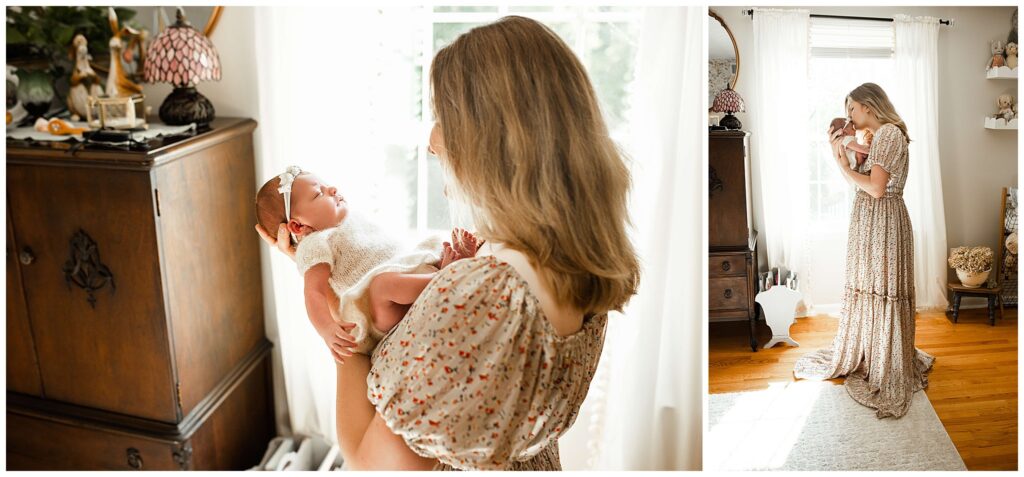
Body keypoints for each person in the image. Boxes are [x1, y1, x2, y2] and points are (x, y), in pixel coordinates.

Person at [257, 15, 640, 469]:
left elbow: (368, 462)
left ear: (494, 140)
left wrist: (344, 328)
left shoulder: (486, 297)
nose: (431, 143)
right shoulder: (573, 258)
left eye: (441, 118)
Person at [794, 82, 933, 419]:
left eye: (852, 109)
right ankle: (877, 352)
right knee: (872, 287)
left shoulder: (888, 134)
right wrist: (841, 153)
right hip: (871, 219)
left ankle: (887, 361)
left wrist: (845, 164)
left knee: (883, 288)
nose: (850, 117)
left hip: (883, 219)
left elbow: (875, 188)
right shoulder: (878, 138)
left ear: (868, 105)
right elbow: (861, 180)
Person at [254, 166, 480, 360]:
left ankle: (438, 270)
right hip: (379, 312)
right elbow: (314, 291)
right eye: (318, 194)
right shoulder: (314, 244)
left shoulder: (349, 220)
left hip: (405, 277)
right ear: (297, 227)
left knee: (433, 245)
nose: (332, 189)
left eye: (326, 185)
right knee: (383, 284)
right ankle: (446, 275)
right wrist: (326, 329)